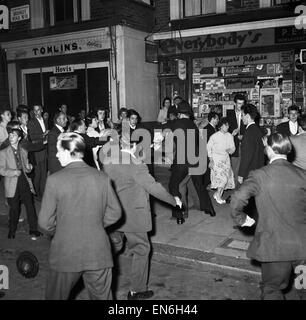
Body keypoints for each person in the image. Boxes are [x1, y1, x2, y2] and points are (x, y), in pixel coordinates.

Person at [38, 133, 121, 300]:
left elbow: (44, 223)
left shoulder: (55, 180)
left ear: (70, 151)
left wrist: (63, 230)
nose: (56, 154)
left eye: (59, 150)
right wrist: (95, 224)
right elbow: (116, 212)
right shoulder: (101, 177)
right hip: (98, 252)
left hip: (66, 253)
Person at [102, 135, 181, 300]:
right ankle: (137, 290)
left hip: (113, 214)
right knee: (141, 248)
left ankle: (98, 278)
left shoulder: (109, 161)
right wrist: (174, 201)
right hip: (133, 215)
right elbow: (153, 187)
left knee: (113, 245)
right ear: (132, 146)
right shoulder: (136, 165)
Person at [231, 133, 306, 300]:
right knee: (304, 289)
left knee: (272, 289)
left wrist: (242, 219)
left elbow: (237, 198)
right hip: (303, 248)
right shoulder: (303, 175)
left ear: (270, 149)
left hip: (275, 249)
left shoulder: (259, 175)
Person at [168, 100, 215, 222]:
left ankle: (179, 216)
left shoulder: (175, 123)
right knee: (199, 185)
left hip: (182, 162)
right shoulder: (193, 125)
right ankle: (209, 209)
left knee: (174, 186)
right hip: (195, 160)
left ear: (179, 113)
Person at [0, 127, 41, 240]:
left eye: (13, 135)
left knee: (29, 204)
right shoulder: (3, 152)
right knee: (14, 208)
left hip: (23, 180)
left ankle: (33, 229)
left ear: (19, 138)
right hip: (12, 182)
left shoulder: (23, 150)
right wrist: (13, 172)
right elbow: (1, 170)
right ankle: (12, 230)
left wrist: (29, 168)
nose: (10, 137)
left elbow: (26, 168)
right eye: (9, 135)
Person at [207, 117, 235, 204]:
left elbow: (233, 148)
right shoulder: (214, 136)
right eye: (225, 125)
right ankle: (218, 196)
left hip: (226, 160)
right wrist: (211, 160)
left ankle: (217, 194)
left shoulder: (230, 136)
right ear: (221, 126)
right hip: (216, 160)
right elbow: (208, 148)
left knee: (226, 178)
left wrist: (231, 150)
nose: (227, 127)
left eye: (228, 125)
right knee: (222, 179)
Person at [238, 104, 265, 184]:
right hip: (259, 169)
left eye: (242, 115)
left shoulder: (248, 133)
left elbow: (246, 156)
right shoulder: (257, 130)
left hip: (250, 172)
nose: (241, 118)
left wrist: (241, 174)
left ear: (248, 116)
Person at [27, 104, 49, 200]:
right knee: (38, 174)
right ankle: (36, 194)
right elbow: (32, 137)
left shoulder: (44, 120)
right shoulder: (31, 122)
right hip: (37, 151)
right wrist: (43, 135)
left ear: (42, 110)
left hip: (44, 149)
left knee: (44, 173)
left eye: (38, 110)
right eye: (35, 110)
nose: (36, 112)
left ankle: (43, 193)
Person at [226, 94, 246, 184]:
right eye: (239, 103)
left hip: (245, 144)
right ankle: (235, 191)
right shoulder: (229, 115)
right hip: (234, 145)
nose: (240, 106)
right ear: (234, 103)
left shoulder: (246, 114)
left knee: (244, 169)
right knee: (235, 169)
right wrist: (232, 134)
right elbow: (224, 132)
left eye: (242, 104)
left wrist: (244, 136)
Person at [203, 112, 220, 190]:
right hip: (209, 154)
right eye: (217, 119)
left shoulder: (213, 128)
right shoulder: (207, 128)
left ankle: (209, 184)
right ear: (212, 119)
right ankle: (206, 186)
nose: (218, 120)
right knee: (208, 171)